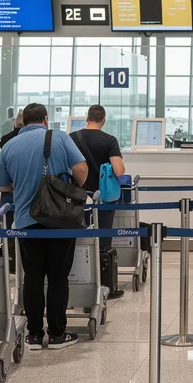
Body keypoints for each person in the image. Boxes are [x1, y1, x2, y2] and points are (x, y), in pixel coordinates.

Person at [0, 103, 89, 350]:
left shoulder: (9, 145)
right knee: (59, 277)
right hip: (60, 220)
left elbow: (4, 187)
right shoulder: (59, 138)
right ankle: (58, 333)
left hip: (27, 221)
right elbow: (81, 168)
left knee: (33, 277)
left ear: (23, 121)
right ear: (46, 120)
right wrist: (72, 187)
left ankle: (34, 335)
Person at [70, 104, 126, 299]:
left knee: (78, 242)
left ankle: (79, 284)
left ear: (87, 118)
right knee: (103, 241)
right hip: (103, 197)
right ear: (103, 120)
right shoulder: (109, 140)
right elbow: (119, 171)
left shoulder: (72, 138)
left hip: (76, 197)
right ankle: (104, 286)